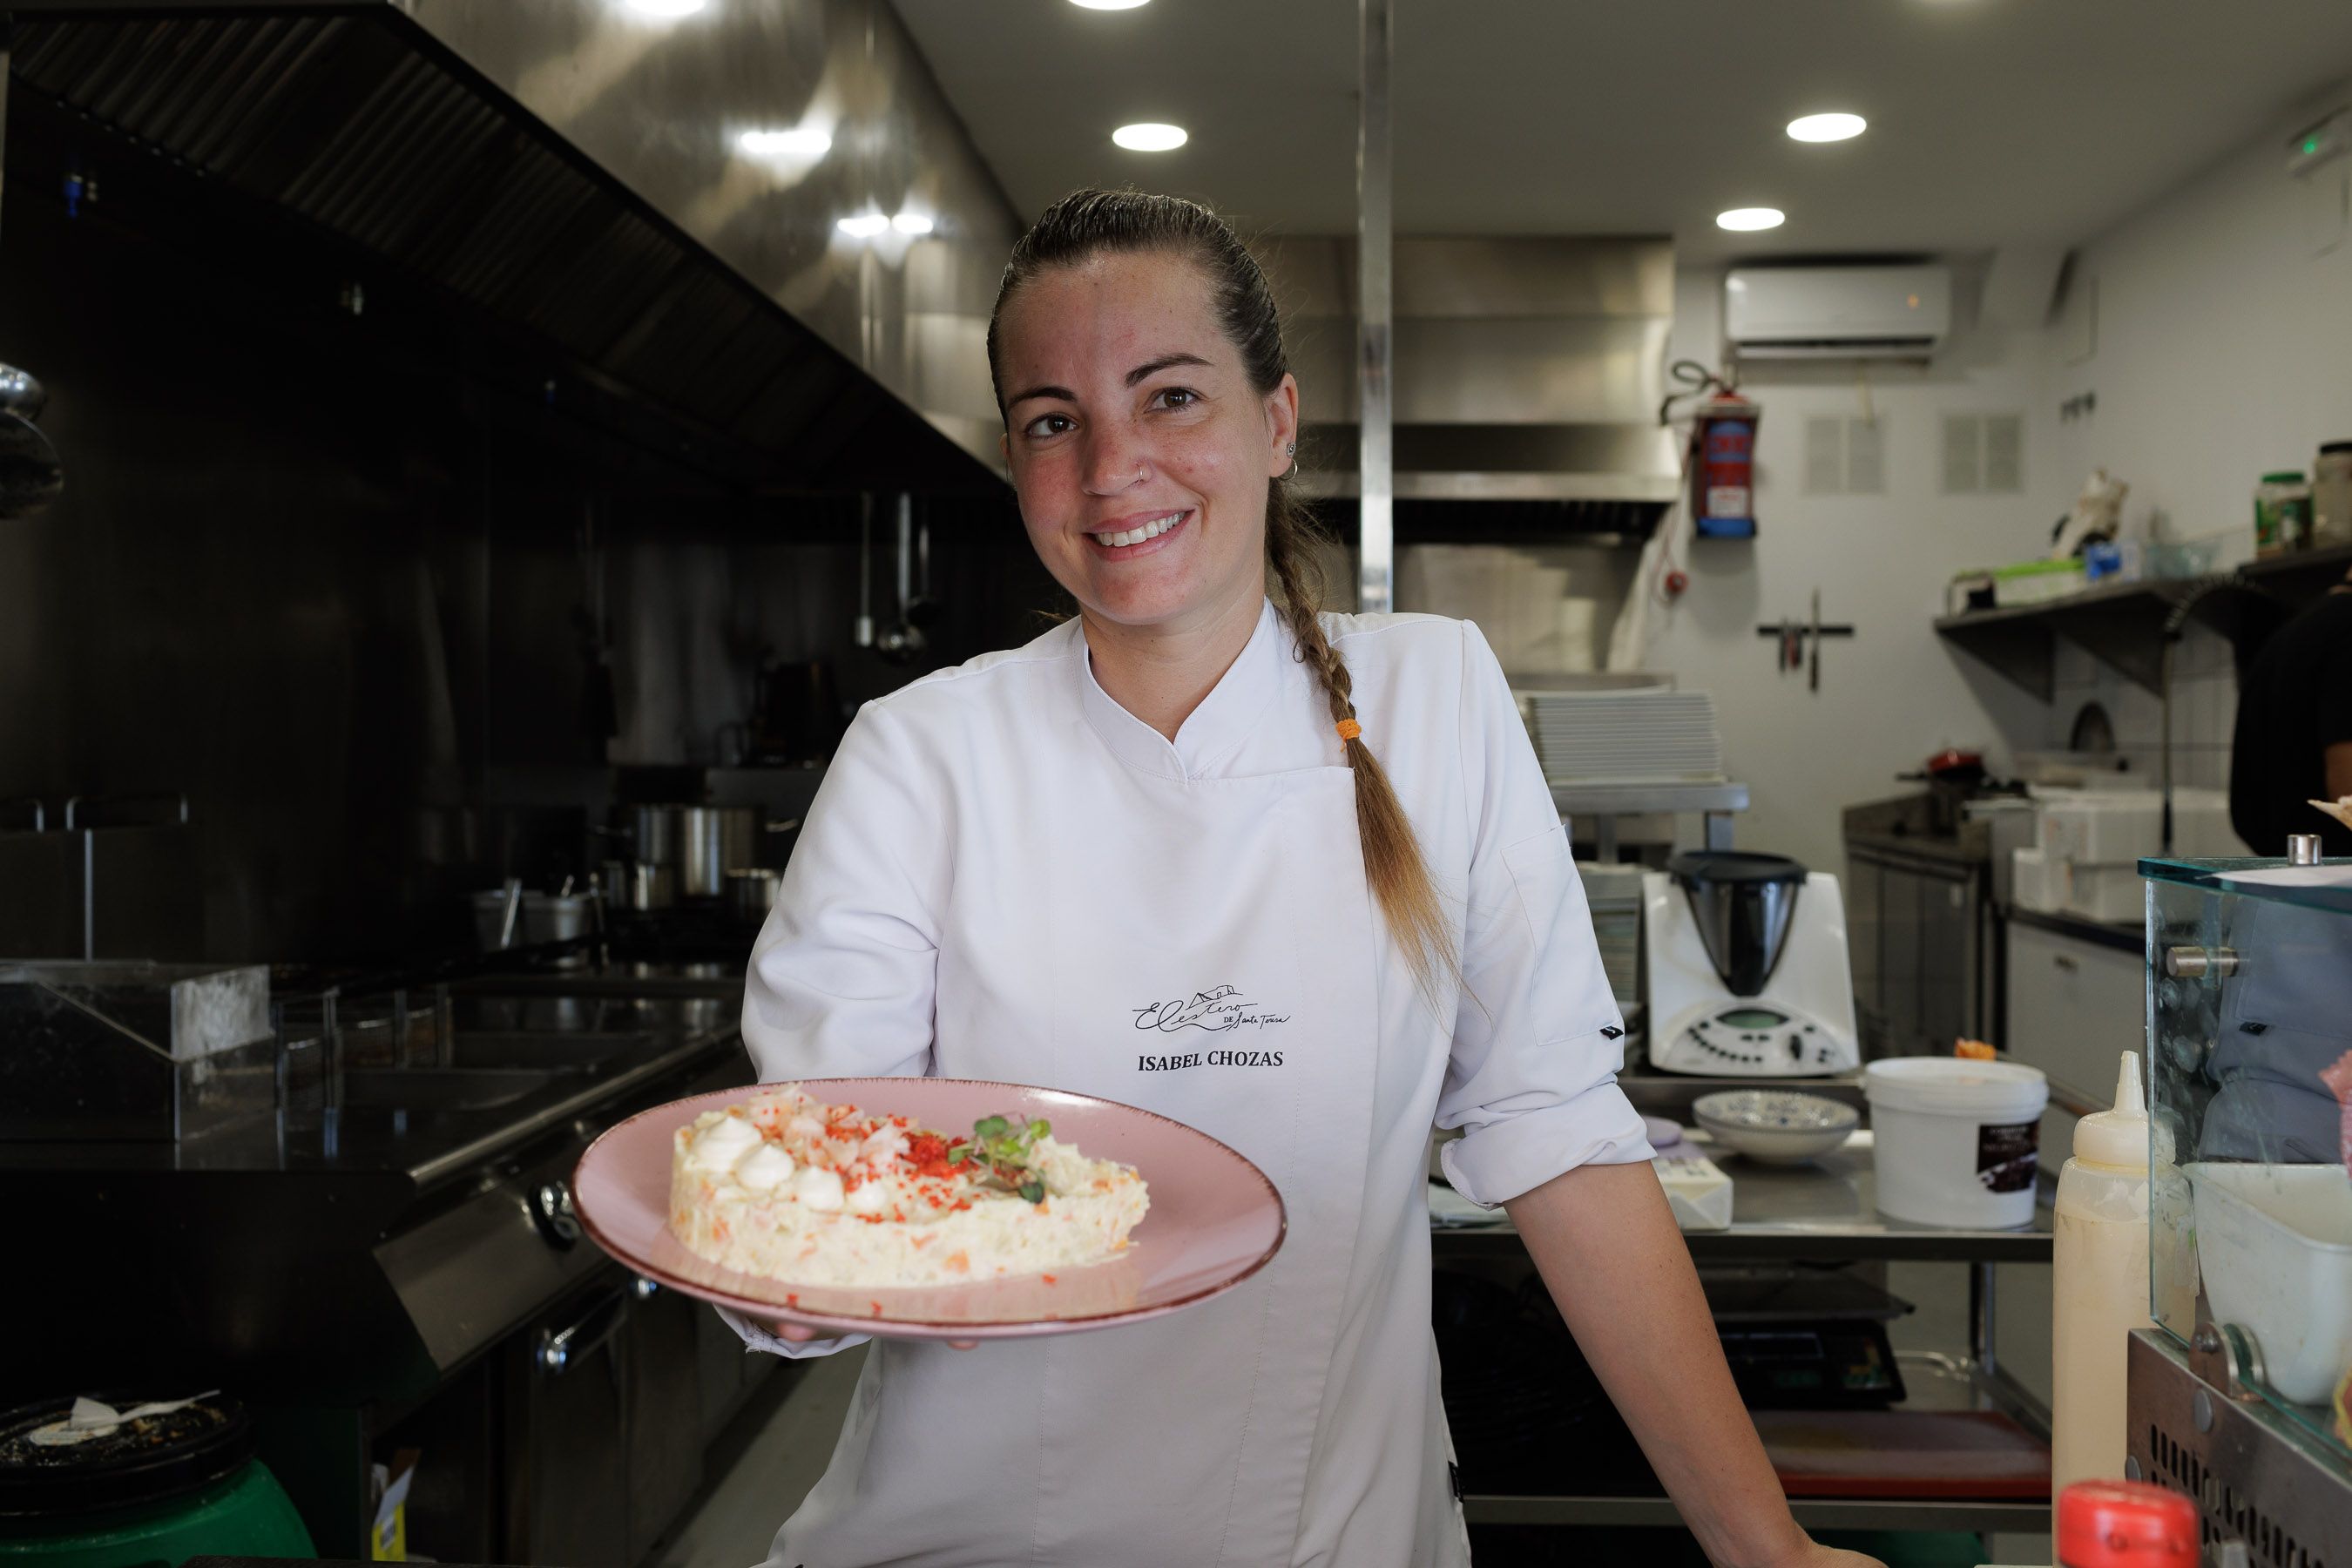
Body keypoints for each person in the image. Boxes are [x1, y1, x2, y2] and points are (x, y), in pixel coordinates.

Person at [724, 189, 1879, 1568]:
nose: (1110, 468)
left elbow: (1558, 1134)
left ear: (1275, 421)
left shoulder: (1435, 698)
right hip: (968, 1539)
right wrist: (789, 1262)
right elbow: (817, 1184)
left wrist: (1771, 1549)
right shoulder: (921, 757)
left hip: (1336, 1535)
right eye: (1053, 419)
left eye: (1168, 397)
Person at [2229, 564, 2352, 859]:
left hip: (2285, 880)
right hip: (2335, 887)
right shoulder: (2348, 632)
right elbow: (2348, 791)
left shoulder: (2289, 636)